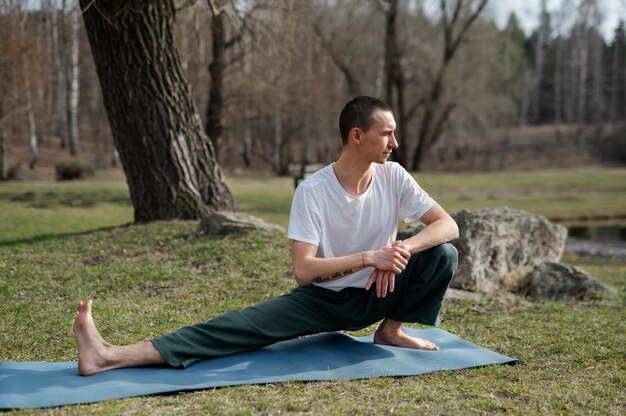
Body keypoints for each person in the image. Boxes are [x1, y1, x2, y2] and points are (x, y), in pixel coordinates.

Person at [73, 96, 459, 376]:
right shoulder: (313, 191)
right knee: (235, 328)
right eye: (387, 133)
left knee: (443, 254)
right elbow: (304, 270)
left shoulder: (394, 177)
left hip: (379, 294)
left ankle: (391, 331)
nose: (395, 143)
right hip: (324, 300)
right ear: (357, 135)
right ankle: (108, 355)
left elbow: (448, 225)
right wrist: (368, 257)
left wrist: (399, 248)